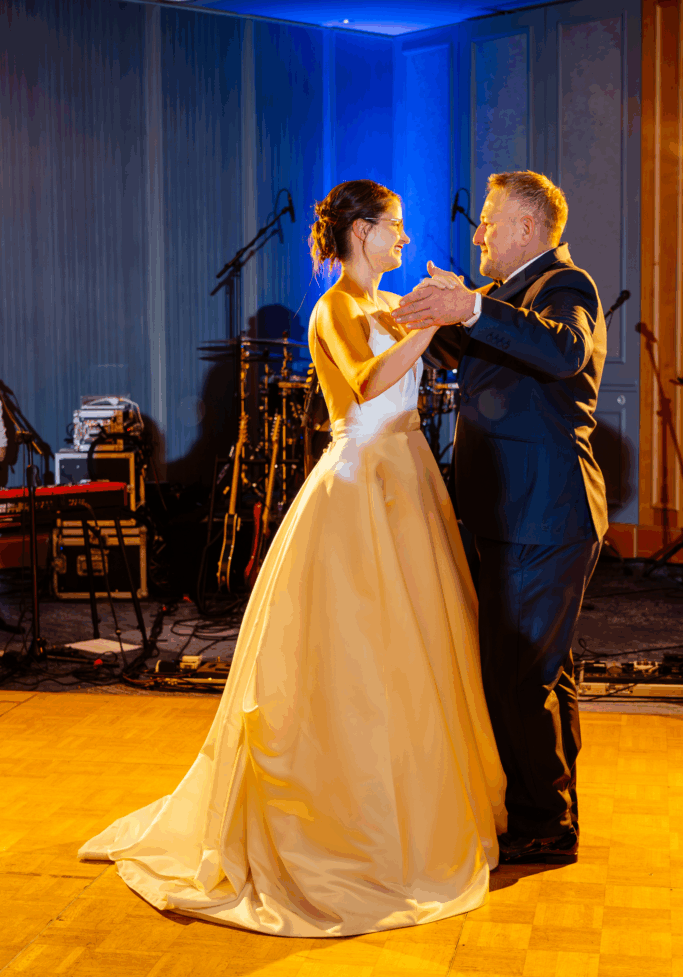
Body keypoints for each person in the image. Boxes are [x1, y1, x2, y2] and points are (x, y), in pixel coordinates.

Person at [78, 179, 506, 938]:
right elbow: (365, 383)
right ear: (364, 230)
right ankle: (341, 823)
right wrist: (428, 327)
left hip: (405, 480)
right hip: (359, 485)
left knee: (418, 650)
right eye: (396, 227)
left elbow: (413, 377)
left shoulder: (383, 302)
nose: (405, 239)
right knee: (354, 653)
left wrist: (433, 315)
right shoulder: (336, 306)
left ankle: (415, 804)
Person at [393, 170, 607, 865]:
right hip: (508, 514)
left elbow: (561, 351)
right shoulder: (504, 300)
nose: (477, 233)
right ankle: (548, 809)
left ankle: (543, 824)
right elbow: (471, 347)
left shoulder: (564, 288)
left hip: (544, 514)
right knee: (539, 675)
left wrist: (471, 309)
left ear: (524, 229)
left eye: (487, 221)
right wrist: (427, 308)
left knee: (518, 675)